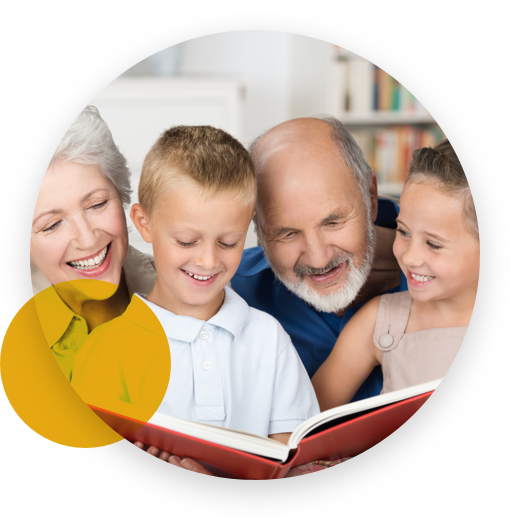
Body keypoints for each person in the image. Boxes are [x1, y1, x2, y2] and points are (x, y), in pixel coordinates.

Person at [71, 126, 319, 445]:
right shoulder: (105, 351)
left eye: (228, 242)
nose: (207, 261)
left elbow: (294, 454)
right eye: (187, 241)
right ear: (144, 224)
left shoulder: (269, 339)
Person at [231, 116, 407, 401]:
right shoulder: (226, 290)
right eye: (288, 234)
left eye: (333, 223)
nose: (317, 258)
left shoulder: (451, 271)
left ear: (370, 197)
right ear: (258, 228)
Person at [312, 139, 478, 409]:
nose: (409, 256)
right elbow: (305, 422)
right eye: (403, 232)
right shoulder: (380, 320)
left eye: (433, 244)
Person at [30, 105, 157, 382]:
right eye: (52, 225)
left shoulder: (193, 289)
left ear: (121, 191)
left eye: (97, 204)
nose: (87, 239)